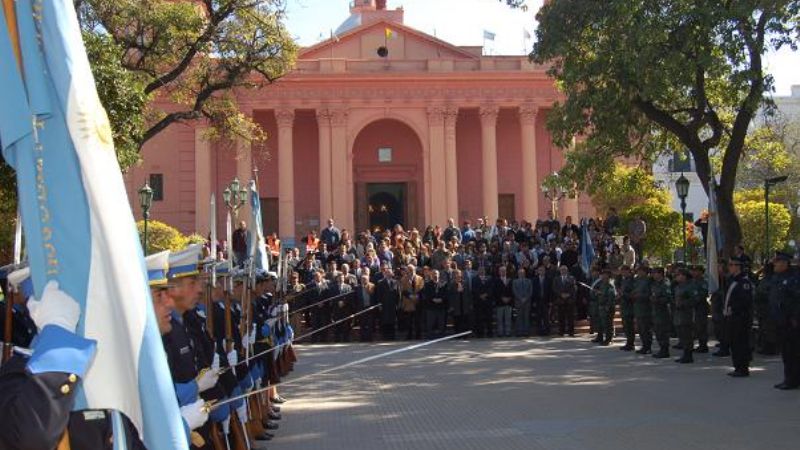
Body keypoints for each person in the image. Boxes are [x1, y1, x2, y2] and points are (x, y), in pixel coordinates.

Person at [769, 251, 800, 389]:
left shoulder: (794, 278)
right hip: (780, 320)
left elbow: (796, 300)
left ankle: (792, 380)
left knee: (792, 351)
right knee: (786, 352)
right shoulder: (777, 277)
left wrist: (794, 317)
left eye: (777, 262)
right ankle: (788, 378)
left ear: (784, 263)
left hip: (790, 321)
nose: (774, 264)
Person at [724, 256, 754, 377]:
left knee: (741, 342)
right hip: (732, 318)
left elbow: (745, 301)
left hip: (741, 318)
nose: (729, 267)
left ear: (738, 267)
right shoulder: (733, 280)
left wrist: (734, 309)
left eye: (731, 265)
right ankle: (737, 366)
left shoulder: (744, 282)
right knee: (734, 342)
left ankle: (743, 368)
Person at [672, 268, 697, 363]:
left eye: (678, 275)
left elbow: (695, 299)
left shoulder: (690, 286)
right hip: (679, 314)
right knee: (681, 334)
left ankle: (688, 355)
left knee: (687, 335)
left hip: (687, 313)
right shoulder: (678, 286)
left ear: (684, 276)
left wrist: (683, 303)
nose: (677, 276)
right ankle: (684, 354)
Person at [650, 267, 672, 359]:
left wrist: (657, 300)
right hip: (656, 310)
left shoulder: (665, 283)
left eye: (655, 273)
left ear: (660, 274)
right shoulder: (655, 284)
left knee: (663, 331)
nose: (653, 275)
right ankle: (662, 349)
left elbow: (668, 298)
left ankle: (665, 350)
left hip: (663, 311)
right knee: (658, 331)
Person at [632, 265, 653, 354]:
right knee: (641, 329)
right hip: (638, 307)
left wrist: (639, 296)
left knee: (646, 329)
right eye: (638, 271)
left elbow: (649, 294)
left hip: (645, 308)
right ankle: (644, 345)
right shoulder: (637, 280)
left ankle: (648, 347)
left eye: (640, 271)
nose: (638, 272)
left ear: (645, 272)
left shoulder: (649, 281)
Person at [376, 266, 400, 340]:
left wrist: (398, 304)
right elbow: (378, 294)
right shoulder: (380, 282)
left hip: (392, 305)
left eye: (389, 273)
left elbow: (398, 294)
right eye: (387, 273)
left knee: (392, 321)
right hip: (384, 305)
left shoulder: (395, 282)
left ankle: (392, 336)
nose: (388, 274)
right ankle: (385, 337)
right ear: (385, 274)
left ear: (392, 273)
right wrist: (379, 304)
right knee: (384, 321)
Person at [552, 265, 577, 337]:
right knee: (561, 317)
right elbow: (554, 288)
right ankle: (561, 332)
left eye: (564, 270)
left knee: (570, 317)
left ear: (567, 271)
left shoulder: (572, 278)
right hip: (560, 300)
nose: (563, 271)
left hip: (569, 300)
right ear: (560, 271)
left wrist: (568, 294)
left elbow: (574, 288)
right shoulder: (556, 279)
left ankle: (571, 332)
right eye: (562, 270)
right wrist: (561, 294)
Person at [424, 270, 449, 338]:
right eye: (433, 274)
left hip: (441, 306)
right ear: (431, 275)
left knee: (441, 323)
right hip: (431, 307)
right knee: (430, 323)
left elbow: (446, 294)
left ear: (439, 275)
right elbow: (426, 295)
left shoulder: (444, 283)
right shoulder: (427, 284)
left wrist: (442, 299)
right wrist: (433, 299)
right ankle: (430, 336)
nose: (435, 275)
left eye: (436, 274)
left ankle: (442, 336)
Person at [595, 269, 617, 345]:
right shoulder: (602, 284)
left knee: (608, 324)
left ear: (608, 276)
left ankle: (609, 339)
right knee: (602, 323)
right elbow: (601, 294)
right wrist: (598, 293)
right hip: (601, 306)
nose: (603, 276)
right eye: (602, 274)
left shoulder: (610, 284)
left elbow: (612, 297)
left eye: (605, 274)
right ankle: (602, 338)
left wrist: (608, 306)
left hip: (607, 307)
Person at [617, 266, 636, 351]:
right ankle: (628, 342)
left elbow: (632, 294)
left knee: (629, 326)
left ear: (628, 271)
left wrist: (623, 294)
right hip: (624, 305)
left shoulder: (632, 280)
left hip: (629, 306)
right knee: (626, 326)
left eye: (623, 271)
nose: (622, 273)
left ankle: (631, 343)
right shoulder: (624, 280)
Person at [493, 266, 514, 337]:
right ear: (499, 272)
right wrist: (502, 298)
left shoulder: (510, 280)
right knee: (500, 319)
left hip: (509, 302)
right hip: (499, 302)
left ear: (506, 272)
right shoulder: (496, 280)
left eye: (504, 271)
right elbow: (495, 292)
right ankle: (500, 333)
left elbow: (512, 290)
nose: (503, 272)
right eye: (501, 271)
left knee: (508, 318)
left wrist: (509, 298)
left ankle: (508, 332)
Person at [512, 268, 533, 337]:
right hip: (518, 302)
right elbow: (514, 291)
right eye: (520, 273)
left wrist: (526, 298)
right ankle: (519, 332)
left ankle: (526, 332)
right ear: (518, 274)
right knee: (519, 317)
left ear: (525, 274)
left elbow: (530, 291)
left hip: (527, 302)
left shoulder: (529, 281)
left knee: (526, 317)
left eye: (523, 273)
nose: (521, 274)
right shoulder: (514, 281)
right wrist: (520, 298)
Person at [355, 274, 376, 342]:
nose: (364, 281)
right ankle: (362, 338)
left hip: (370, 307)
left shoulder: (372, 286)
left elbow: (375, 297)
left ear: (368, 280)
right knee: (362, 324)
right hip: (361, 308)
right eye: (362, 279)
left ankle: (369, 338)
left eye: (365, 279)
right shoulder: (357, 287)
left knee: (370, 324)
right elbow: (355, 299)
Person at [533, 265, 552, 336]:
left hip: (546, 300)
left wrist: (550, 301)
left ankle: (547, 331)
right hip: (537, 300)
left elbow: (550, 291)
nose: (541, 271)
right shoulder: (534, 280)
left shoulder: (548, 279)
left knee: (546, 317)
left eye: (543, 270)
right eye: (540, 270)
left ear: (545, 271)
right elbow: (533, 291)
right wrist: (534, 301)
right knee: (538, 316)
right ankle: (539, 331)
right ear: (538, 271)